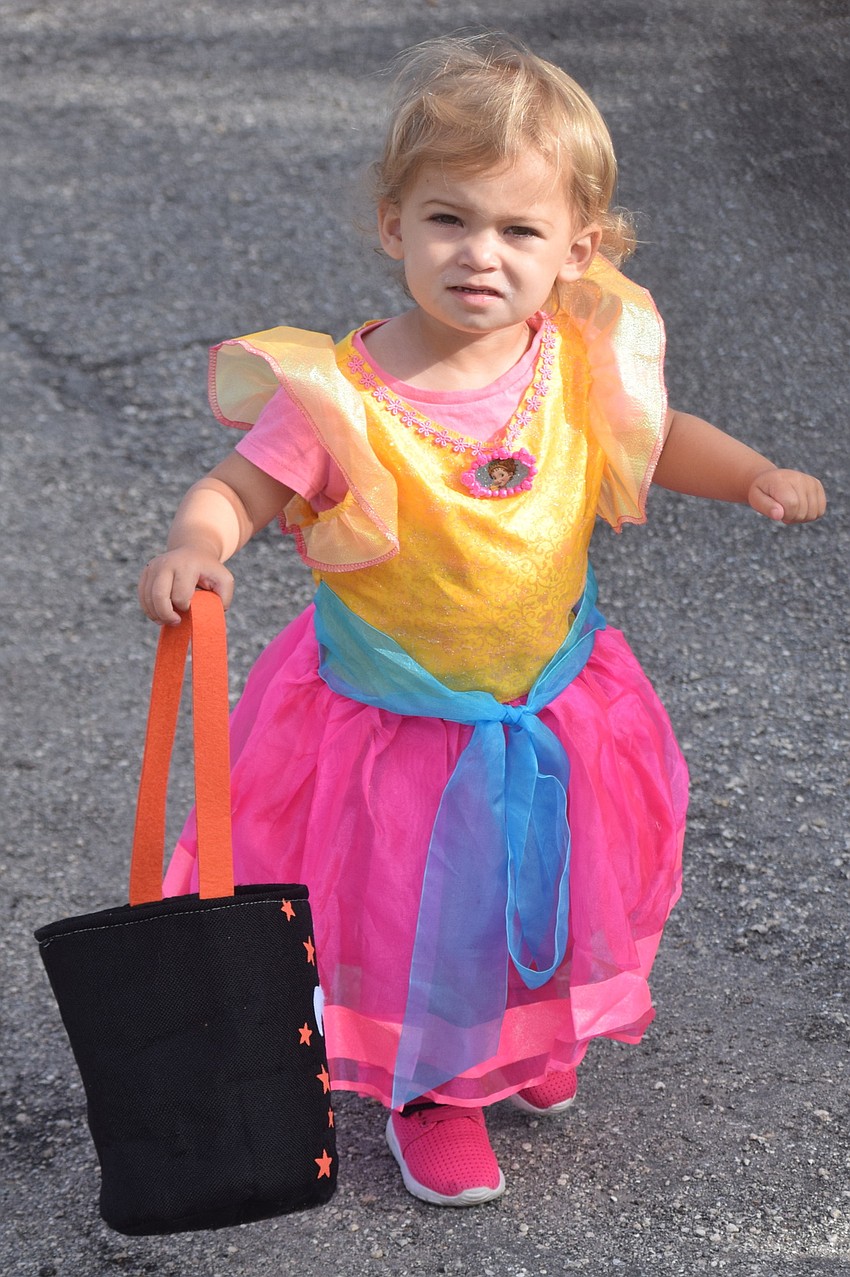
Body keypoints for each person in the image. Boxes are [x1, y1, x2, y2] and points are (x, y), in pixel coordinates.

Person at [137, 34, 826, 1208]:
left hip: (553, 698)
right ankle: (433, 1090)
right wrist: (198, 541)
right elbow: (246, 483)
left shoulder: (575, 365)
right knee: (418, 911)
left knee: (548, 879)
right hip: (393, 724)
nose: (480, 255)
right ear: (392, 223)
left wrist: (752, 470)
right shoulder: (341, 398)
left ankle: (520, 1037)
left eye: (518, 230)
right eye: (449, 219)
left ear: (577, 249)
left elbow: (658, 440)